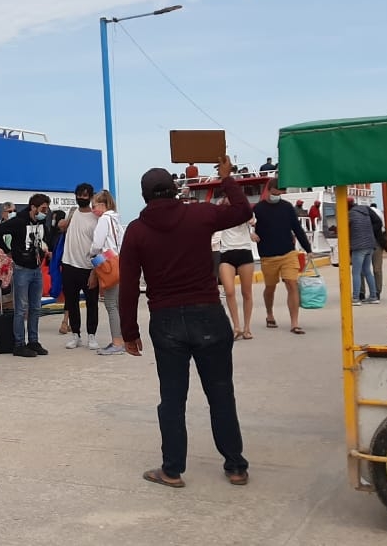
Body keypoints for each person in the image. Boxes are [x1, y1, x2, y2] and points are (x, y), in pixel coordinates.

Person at [120, 157, 251, 489]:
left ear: (145, 196)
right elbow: (242, 211)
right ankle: (235, 466)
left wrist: (129, 332)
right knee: (221, 393)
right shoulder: (199, 214)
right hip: (208, 313)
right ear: (175, 190)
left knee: (173, 399)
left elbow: (129, 285)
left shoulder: (136, 230)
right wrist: (227, 178)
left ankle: (172, 470)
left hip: (166, 321)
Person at [0, 194, 54, 358]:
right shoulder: (19, 221)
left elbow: (45, 236)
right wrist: (8, 251)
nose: (45, 212)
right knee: (21, 308)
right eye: (42, 209)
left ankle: (33, 341)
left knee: (35, 307)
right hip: (22, 269)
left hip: (36, 269)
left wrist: (45, 248)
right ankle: (19, 344)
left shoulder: (40, 221)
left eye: (46, 209)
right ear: (33, 207)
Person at [253, 178, 313, 335]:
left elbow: (297, 229)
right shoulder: (258, 209)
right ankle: (269, 314)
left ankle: (294, 323)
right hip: (268, 255)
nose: (279, 194)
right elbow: (249, 225)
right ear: (270, 190)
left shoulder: (287, 208)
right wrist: (251, 234)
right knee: (270, 288)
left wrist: (308, 248)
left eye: (281, 192)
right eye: (276, 192)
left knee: (292, 284)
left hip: (288, 253)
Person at [59, 183, 101, 350]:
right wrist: (62, 223)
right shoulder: (72, 212)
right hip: (69, 264)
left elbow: (100, 247)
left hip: (88, 267)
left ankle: (92, 335)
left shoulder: (96, 218)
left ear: (91, 197)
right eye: (79, 194)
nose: (81, 198)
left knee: (92, 303)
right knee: (71, 302)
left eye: (85, 195)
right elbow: (61, 227)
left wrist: (95, 271)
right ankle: (76, 335)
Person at [90, 190, 126, 355]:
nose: (93, 209)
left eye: (94, 205)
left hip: (108, 264)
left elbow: (97, 243)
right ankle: (123, 340)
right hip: (120, 262)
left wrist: (90, 253)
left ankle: (117, 342)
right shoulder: (116, 220)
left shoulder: (104, 220)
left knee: (111, 304)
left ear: (102, 205)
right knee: (118, 304)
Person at [217, 198, 258, 340]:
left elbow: (253, 221)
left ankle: (246, 327)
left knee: (247, 293)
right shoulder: (222, 212)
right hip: (226, 252)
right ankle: (236, 326)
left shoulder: (245, 212)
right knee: (229, 291)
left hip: (244, 251)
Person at [347, 197, 379, 305]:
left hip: (358, 245)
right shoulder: (365, 211)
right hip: (370, 244)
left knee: (356, 272)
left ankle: (356, 298)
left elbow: (345, 229)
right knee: (367, 271)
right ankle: (374, 296)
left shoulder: (350, 214)